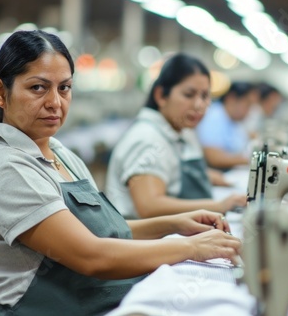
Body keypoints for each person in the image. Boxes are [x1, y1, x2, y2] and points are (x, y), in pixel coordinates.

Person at [0, 31, 241, 316]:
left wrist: (174, 224)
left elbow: (106, 231)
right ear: (0, 92)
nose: (55, 102)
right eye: (38, 88)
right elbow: (91, 256)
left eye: (64, 88)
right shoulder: (7, 168)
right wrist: (191, 248)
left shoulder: (60, 154)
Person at [105, 53, 247, 219]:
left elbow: (170, 170)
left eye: (204, 96)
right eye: (189, 95)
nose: (199, 105)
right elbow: (149, 206)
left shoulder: (181, 131)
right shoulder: (148, 139)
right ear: (161, 96)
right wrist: (219, 206)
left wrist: (205, 175)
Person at [196, 81, 258, 170]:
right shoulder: (214, 116)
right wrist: (254, 160)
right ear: (232, 98)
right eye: (248, 104)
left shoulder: (233, 120)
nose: (249, 111)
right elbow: (214, 158)